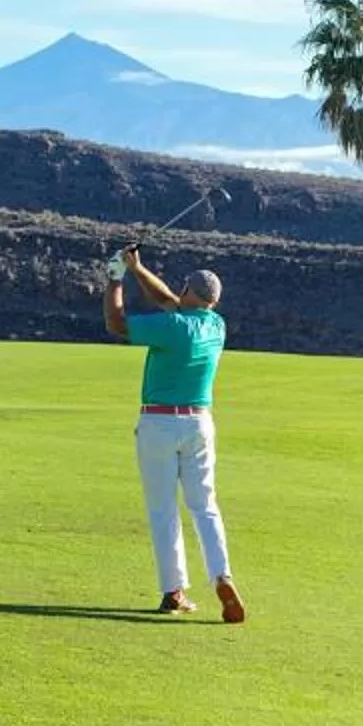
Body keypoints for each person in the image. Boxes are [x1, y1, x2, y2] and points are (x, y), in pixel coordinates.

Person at [102, 245, 243, 621]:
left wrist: (115, 278)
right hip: (199, 423)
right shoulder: (216, 326)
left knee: (163, 509)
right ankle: (222, 575)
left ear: (188, 291)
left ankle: (174, 592)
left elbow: (116, 324)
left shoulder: (172, 326)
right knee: (205, 506)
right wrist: (137, 268)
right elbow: (169, 300)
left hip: (159, 423)